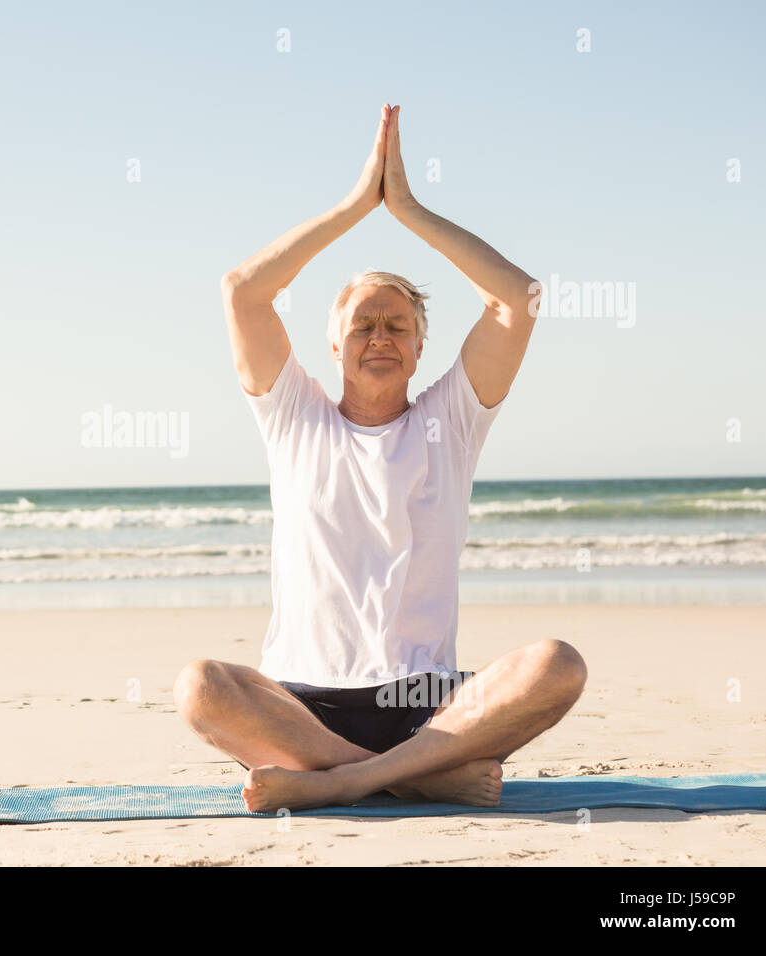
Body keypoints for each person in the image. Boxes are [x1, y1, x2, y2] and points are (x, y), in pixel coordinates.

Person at [174, 104, 587, 813]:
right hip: (303, 705)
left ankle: (350, 782)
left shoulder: (450, 422)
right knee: (200, 686)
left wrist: (409, 210)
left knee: (557, 665)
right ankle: (412, 778)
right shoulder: (293, 416)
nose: (380, 335)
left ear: (421, 347)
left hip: (428, 707)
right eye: (362, 323)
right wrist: (355, 204)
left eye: (398, 324)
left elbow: (517, 299)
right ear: (333, 346)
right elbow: (243, 290)